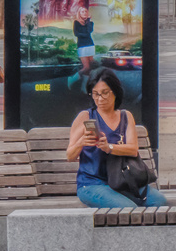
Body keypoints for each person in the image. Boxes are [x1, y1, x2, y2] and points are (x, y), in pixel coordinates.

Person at [67, 69, 166, 209]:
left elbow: (132, 149)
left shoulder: (126, 116)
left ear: (115, 91)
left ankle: (146, 231)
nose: (100, 99)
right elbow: (70, 155)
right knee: (128, 209)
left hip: (122, 182)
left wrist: (109, 147)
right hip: (92, 184)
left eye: (105, 93)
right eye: (95, 94)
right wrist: (81, 143)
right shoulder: (85, 116)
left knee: (159, 201)